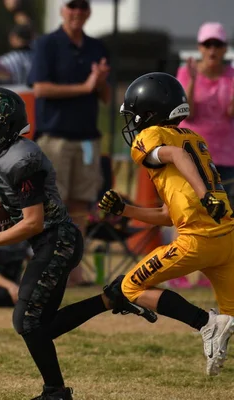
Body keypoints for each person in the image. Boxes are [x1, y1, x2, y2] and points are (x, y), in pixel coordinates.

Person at [0, 87, 156, 400]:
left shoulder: (22, 161)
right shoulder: (5, 157)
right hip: (50, 241)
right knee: (41, 326)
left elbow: (34, 221)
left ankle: (56, 392)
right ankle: (110, 299)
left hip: (57, 241)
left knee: (26, 321)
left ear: (4, 127)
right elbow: (21, 211)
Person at [98, 71, 234, 377]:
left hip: (197, 240)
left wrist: (203, 194)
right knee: (232, 314)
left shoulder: (151, 138)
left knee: (130, 287)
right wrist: (125, 209)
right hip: (226, 239)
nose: (132, 124)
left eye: (135, 116)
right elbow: (168, 213)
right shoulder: (194, 138)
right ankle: (217, 326)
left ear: (149, 113)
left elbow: (171, 155)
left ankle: (205, 324)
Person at [27, 0, 110, 286]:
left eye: (82, 6)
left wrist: (99, 82)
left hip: (87, 139)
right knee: (54, 204)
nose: (77, 12)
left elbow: (106, 97)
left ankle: (74, 269)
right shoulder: (47, 44)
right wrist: (84, 87)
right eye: (71, 6)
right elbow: (39, 88)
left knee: (80, 206)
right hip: (55, 138)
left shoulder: (96, 47)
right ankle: (50, 266)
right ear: (62, 10)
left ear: (88, 12)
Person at [176, 22, 234, 209]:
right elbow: (187, 113)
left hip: (225, 156)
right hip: (192, 155)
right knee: (188, 211)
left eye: (217, 45)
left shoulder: (231, 76)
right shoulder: (186, 73)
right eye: (207, 44)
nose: (212, 50)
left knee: (225, 214)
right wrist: (193, 82)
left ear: (225, 48)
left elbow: (231, 112)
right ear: (200, 47)